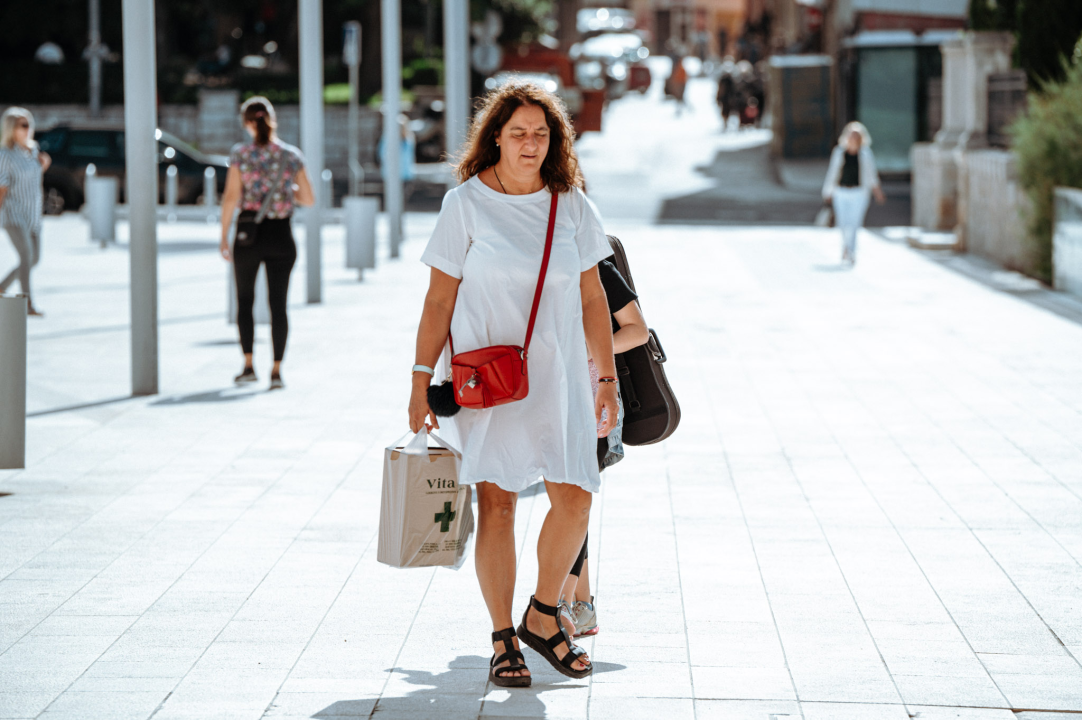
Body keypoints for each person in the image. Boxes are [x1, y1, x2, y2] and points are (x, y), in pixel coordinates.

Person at [407, 80, 619, 687]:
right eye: (519, 132)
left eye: (542, 133)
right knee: (496, 505)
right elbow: (438, 299)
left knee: (575, 495)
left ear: (555, 141)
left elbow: (592, 296)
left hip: (559, 379)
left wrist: (603, 377)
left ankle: (543, 614)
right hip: (488, 381)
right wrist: (421, 381)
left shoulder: (571, 202)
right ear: (495, 136)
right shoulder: (465, 205)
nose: (530, 143)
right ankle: (504, 637)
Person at [559, 257, 649, 638]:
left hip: (592, 404)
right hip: (540, 403)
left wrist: (589, 346)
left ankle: (559, 605)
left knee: (571, 504)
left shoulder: (594, 266)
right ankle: (583, 605)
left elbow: (638, 330)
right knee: (571, 507)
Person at [219, 96, 315, 389]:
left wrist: (224, 235)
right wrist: (289, 188)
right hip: (281, 235)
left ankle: (248, 365)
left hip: (249, 234)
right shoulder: (291, 156)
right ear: (272, 120)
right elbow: (308, 200)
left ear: (248, 123)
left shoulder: (241, 154)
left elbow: (232, 197)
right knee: (279, 305)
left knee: (245, 301)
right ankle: (276, 371)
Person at [0, 107, 49, 316]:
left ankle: (2, 286)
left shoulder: (34, 150)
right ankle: (27, 304)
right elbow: (2, 187)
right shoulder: (5, 154)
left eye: (29, 124)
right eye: (23, 125)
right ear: (12, 128)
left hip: (33, 214)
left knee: (34, 258)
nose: (28, 129)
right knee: (26, 256)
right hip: (14, 215)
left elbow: (30, 180)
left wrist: (44, 165)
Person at [822, 121, 885, 265]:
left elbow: (871, 175)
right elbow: (832, 173)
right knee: (843, 223)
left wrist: (878, 192)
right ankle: (846, 247)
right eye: (851, 136)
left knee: (855, 223)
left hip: (859, 193)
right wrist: (828, 192)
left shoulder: (865, 154)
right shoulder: (839, 152)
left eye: (856, 136)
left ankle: (851, 251)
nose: (853, 139)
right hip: (841, 192)